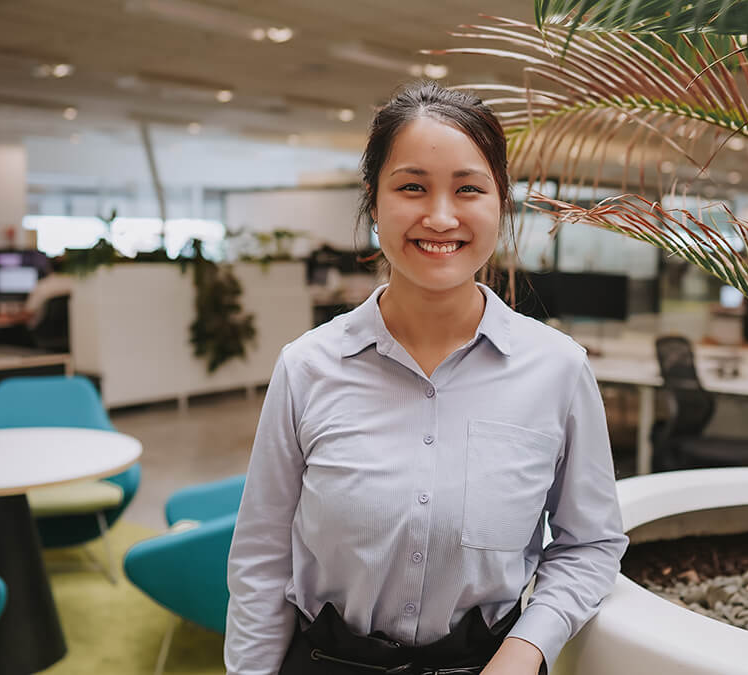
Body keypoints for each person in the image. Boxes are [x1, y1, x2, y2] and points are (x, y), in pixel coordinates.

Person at [225, 81, 628, 675]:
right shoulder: (308, 367)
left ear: (501, 202)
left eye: (469, 188)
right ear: (374, 200)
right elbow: (262, 560)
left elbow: (590, 544)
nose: (440, 216)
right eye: (411, 187)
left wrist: (527, 648)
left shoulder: (558, 369)